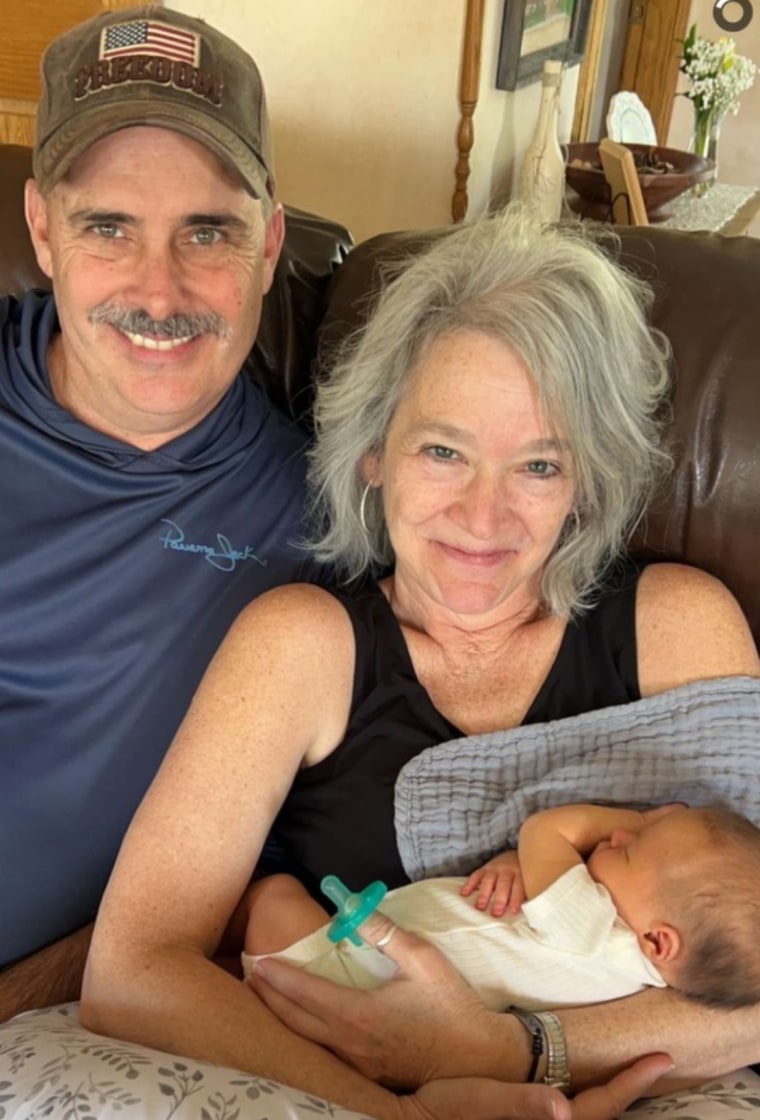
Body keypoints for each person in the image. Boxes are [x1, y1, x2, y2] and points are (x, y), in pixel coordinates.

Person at [80, 206, 760, 1118]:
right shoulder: (301, 646)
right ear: (374, 452)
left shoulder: (680, 627)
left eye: (539, 467)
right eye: (444, 451)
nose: (484, 519)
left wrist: (511, 1052)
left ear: (590, 480)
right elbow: (130, 973)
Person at [0, 5, 317, 1021]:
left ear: (268, 243)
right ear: (43, 228)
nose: (159, 289)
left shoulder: (322, 519)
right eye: (108, 227)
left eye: (207, 231)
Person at [240, 802, 760, 1012]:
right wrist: (520, 863)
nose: (620, 833)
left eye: (629, 847)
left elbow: (545, 829)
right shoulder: (623, 973)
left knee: (272, 893)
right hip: (367, 986)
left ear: (658, 940)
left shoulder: (595, 930)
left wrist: (627, 816)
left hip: (339, 970)